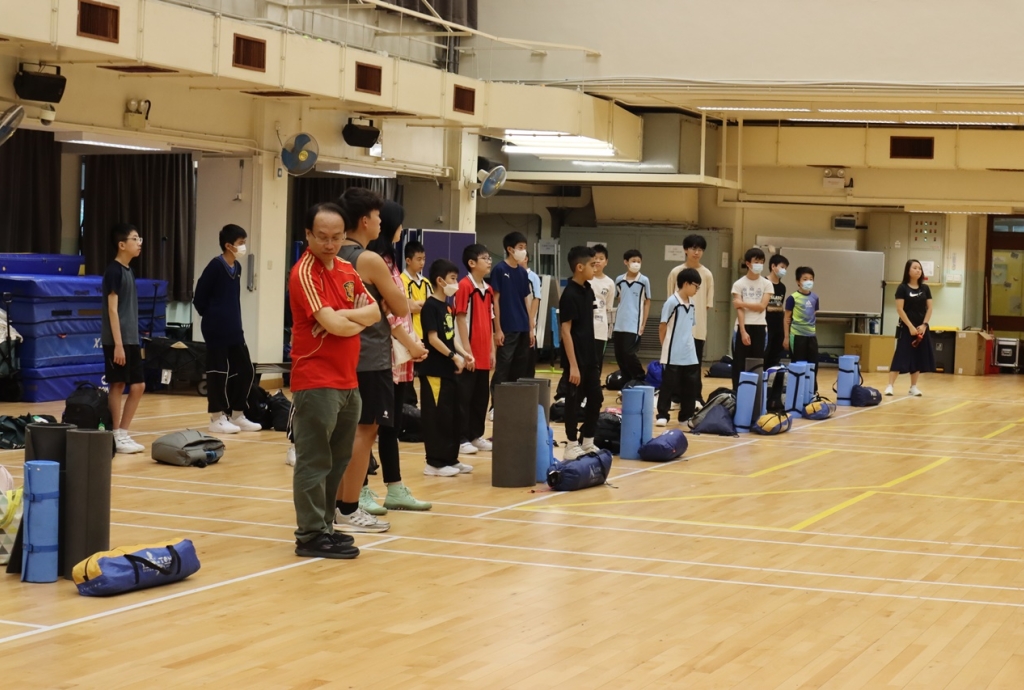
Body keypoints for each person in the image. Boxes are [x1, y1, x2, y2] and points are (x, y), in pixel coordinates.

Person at [289, 201, 380, 559]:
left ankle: (325, 526)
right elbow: (335, 326)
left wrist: (344, 315)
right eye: (322, 237)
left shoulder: (346, 268)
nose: (330, 244)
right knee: (314, 460)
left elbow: (375, 311)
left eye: (336, 237)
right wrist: (348, 319)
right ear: (308, 235)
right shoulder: (304, 273)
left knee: (338, 459)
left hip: (348, 381)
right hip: (316, 380)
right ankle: (310, 534)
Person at [332, 187, 405, 534]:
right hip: (370, 358)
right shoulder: (369, 259)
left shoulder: (331, 256)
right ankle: (349, 508)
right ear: (364, 220)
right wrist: (387, 301)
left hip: (339, 355)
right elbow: (400, 306)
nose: (380, 222)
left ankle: (336, 505)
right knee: (365, 431)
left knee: (342, 433)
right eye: (377, 216)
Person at [358, 200, 432, 515]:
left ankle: (395, 487)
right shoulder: (372, 261)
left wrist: (412, 342)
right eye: (398, 223)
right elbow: (388, 313)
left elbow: (398, 307)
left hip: (400, 357)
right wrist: (411, 343)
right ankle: (359, 489)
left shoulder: (388, 261)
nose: (402, 229)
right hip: (382, 355)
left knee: (391, 425)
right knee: (368, 426)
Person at [192, 224, 262, 435]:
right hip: (216, 328)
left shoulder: (237, 268)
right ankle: (217, 416)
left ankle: (237, 413)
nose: (243, 246)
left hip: (234, 327)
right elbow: (199, 298)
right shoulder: (215, 266)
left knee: (245, 369)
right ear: (228, 245)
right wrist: (213, 315)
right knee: (218, 371)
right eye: (241, 243)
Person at [420, 259, 472, 476]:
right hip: (434, 371)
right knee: (437, 416)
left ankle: (451, 458)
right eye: (452, 278)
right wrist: (452, 356)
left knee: (452, 416)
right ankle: (434, 463)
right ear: (440, 281)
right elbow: (433, 339)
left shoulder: (447, 307)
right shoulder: (430, 306)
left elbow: (449, 337)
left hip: (449, 371)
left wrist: (463, 353)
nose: (455, 283)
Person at [102, 223, 146, 455]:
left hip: (131, 338)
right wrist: (118, 345)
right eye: (135, 239)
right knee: (118, 384)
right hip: (116, 341)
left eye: (139, 239)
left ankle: (123, 432)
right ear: (122, 244)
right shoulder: (114, 271)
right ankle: (114, 434)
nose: (139, 243)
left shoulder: (129, 271)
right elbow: (112, 310)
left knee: (138, 385)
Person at [559, 246, 602, 461]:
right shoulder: (569, 294)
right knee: (573, 402)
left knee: (596, 398)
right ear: (579, 267)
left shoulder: (588, 290)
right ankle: (571, 443)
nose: (596, 268)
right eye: (592, 265)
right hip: (575, 359)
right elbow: (565, 331)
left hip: (590, 355)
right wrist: (573, 365)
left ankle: (587, 440)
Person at [454, 243, 495, 456]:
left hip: (484, 353)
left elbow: (489, 320)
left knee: (481, 397)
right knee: (464, 397)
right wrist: (466, 352)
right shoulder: (464, 286)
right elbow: (461, 318)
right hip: (469, 353)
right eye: (484, 258)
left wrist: (492, 351)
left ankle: (475, 435)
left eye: (489, 258)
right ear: (472, 263)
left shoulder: (488, 289)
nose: (489, 261)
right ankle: (461, 438)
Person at [490, 231, 534, 400]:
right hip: (507, 327)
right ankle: (496, 404)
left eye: (525, 247)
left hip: (523, 327)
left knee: (520, 367)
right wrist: (498, 329)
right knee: (504, 366)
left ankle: (514, 403)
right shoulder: (500, 270)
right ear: (510, 249)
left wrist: (530, 328)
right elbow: (495, 300)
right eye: (520, 247)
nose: (523, 251)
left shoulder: (522, 273)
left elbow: (526, 300)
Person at [656, 268, 702, 426]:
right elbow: (662, 326)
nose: (697, 289)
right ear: (686, 284)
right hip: (672, 352)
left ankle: (686, 416)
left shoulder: (692, 304)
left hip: (689, 352)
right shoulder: (672, 302)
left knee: (690, 385)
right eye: (696, 286)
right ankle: (662, 414)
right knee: (668, 385)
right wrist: (665, 346)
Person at [885, 259, 934, 397]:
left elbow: (930, 308)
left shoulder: (925, 289)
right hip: (907, 327)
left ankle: (913, 387)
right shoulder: (902, 288)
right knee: (900, 355)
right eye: (915, 268)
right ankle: (890, 385)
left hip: (921, 328)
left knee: (918, 357)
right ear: (908, 271)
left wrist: (924, 325)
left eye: (920, 268)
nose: (918, 270)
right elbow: (899, 309)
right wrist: (911, 327)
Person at [666, 234, 715, 367]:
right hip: (677, 328)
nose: (697, 252)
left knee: (694, 367)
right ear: (685, 249)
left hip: (697, 330)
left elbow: (706, 305)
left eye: (700, 249)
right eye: (693, 248)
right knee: (676, 365)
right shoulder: (675, 272)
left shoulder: (707, 274)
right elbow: (670, 301)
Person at [731, 248, 773, 391]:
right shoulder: (739, 284)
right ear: (748, 263)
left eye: (761, 262)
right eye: (756, 261)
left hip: (760, 326)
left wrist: (742, 303)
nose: (759, 264)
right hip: (742, 326)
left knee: (757, 363)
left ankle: (756, 395)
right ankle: (737, 394)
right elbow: (739, 310)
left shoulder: (767, 284)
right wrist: (743, 331)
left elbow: (762, 306)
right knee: (739, 364)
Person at [612, 249, 651, 382]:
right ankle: (627, 380)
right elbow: (619, 298)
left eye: (639, 261)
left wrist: (643, 323)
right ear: (626, 262)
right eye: (633, 261)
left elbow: (647, 302)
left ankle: (640, 377)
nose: (636, 264)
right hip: (619, 324)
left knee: (629, 353)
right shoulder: (619, 280)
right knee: (619, 354)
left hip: (634, 324)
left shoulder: (644, 280)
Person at [783, 266, 820, 393]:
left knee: (813, 364)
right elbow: (786, 318)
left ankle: (811, 391)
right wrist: (786, 337)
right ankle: (797, 392)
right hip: (797, 336)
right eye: (805, 279)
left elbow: (813, 315)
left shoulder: (815, 297)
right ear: (798, 281)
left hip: (811, 336)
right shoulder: (792, 298)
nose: (808, 281)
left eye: (811, 279)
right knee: (798, 364)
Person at [764, 253, 790, 368]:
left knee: (775, 355)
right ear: (773, 266)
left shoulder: (782, 287)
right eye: (782, 267)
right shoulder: (763, 282)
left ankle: (772, 376)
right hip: (766, 324)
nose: (784, 270)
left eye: (785, 268)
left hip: (778, 325)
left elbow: (780, 306)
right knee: (764, 353)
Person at [520, 250, 542, 378]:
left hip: (528, 322)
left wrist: (531, 319)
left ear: (526, 259)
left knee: (528, 357)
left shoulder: (533, 277)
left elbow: (536, 298)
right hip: (516, 323)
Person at [401, 241, 428, 340]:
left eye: (424, 259)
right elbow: (411, 307)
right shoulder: (401, 280)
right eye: (419, 259)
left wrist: (418, 304)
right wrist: (426, 305)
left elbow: (433, 306)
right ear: (408, 260)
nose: (422, 263)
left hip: (426, 332)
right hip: (410, 334)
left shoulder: (426, 282)